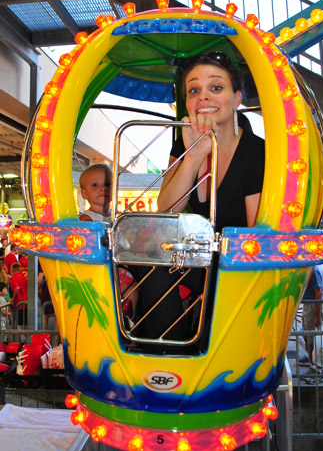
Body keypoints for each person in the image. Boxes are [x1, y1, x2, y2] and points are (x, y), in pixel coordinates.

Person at [134, 52, 265, 340]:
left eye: (216, 88)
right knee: (144, 260)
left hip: (238, 267)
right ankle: (168, 351)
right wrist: (193, 157)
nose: (203, 97)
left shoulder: (256, 153)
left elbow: (256, 235)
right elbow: (165, 210)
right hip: (195, 263)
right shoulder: (184, 141)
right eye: (194, 90)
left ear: (236, 99)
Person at [79, 163, 138, 320]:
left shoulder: (115, 218)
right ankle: (122, 320)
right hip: (101, 267)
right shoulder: (87, 218)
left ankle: (127, 320)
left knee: (135, 286)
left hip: (118, 264)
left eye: (107, 184)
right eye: (95, 185)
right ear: (84, 193)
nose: (102, 189)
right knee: (130, 286)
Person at [301, 267, 323, 382]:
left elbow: (318, 292)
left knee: (313, 338)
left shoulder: (313, 271)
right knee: (307, 337)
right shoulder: (309, 270)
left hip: (312, 306)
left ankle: (318, 369)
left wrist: (316, 314)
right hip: (308, 305)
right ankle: (312, 365)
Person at [9, 262, 28, 329]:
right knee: (25, 322)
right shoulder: (24, 278)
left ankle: (21, 337)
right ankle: (27, 337)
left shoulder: (12, 279)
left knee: (16, 322)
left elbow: (17, 288)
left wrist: (13, 298)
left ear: (13, 269)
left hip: (18, 302)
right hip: (26, 301)